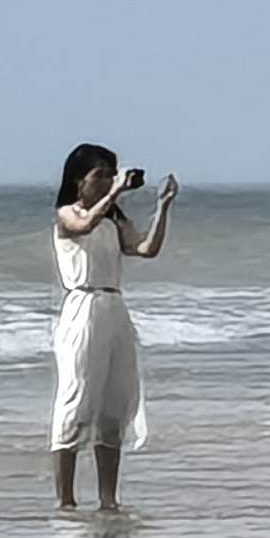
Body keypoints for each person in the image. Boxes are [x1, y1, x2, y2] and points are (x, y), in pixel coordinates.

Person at [51, 144, 175, 511]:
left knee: (114, 402)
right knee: (76, 398)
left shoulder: (113, 218)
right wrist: (116, 191)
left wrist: (163, 207)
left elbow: (145, 248)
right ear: (80, 180)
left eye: (111, 174)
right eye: (100, 175)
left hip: (113, 306)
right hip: (83, 305)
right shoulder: (67, 214)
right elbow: (83, 225)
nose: (107, 181)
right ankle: (66, 499)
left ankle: (108, 498)